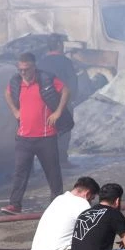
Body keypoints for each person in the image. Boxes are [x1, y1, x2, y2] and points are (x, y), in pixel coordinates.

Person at [2, 52, 69, 215]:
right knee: (20, 172)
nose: (23, 72)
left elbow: (65, 90)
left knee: (52, 172)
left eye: (26, 69)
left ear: (34, 66)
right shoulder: (16, 81)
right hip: (24, 138)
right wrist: (15, 111)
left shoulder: (46, 79)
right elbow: (7, 93)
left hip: (46, 137)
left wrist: (58, 112)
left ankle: (57, 204)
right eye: (20, 69)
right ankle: (15, 204)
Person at [30, 176, 99, 250]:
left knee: (61, 239)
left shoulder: (59, 199)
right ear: (87, 194)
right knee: (95, 246)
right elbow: (93, 235)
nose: (90, 202)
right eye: (91, 199)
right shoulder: (82, 204)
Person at [36, 35, 79, 170]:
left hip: (45, 103)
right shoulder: (65, 62)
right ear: (59, 45)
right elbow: (72, 83)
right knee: (64, 131)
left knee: (49, 132)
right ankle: (62, 161)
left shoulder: (41, 63)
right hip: (62, 102)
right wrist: (72, 99)